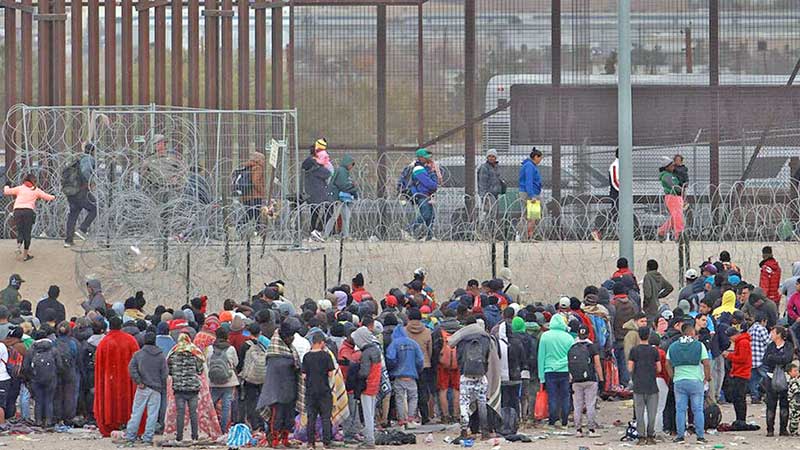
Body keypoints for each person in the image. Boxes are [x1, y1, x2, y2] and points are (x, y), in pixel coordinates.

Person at [94, 316, 140, 437]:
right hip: (127, 380)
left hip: (109, 380)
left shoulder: (103, 343)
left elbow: (99, 367)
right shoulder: (131, 340)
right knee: (127, 400)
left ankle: (110, 422)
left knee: (110, 400)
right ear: (121, 325)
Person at [666, 322, 711, 444]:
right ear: (692, 333)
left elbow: (667, 363)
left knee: (680, 409)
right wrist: (707, 378)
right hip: (696, 381)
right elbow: (706, 363)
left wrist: (673, 376)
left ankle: (680, 436)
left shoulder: (673, 346)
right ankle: (700, 436)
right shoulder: (699, 346)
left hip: (679, 381)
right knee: (697, 410)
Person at [259, 319, 301, 448]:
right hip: (277, 391)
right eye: (290, 336)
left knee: (289, 417)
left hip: (290, 389)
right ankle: (274, 440)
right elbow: (277, 367)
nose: (292, 338)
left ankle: (285, 439)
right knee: (277, 417)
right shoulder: (274, 351)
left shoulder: (291, 350)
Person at [448, 316, 491, 440]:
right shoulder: (485, 337)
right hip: (481, 374)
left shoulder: (463, 338)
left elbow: (459, 356)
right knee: (482, 402)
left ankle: (464, 431)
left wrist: (462, 369)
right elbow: (487, 355)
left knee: (464, 403)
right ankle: (484, 432)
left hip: (466, 375)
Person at [125, 332, 167, 444]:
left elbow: (131, 368)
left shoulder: (139, 354)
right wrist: (162, 385)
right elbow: (164, 373)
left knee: (136, 412)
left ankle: (130, 436)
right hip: (156, 388)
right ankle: (148, 438)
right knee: (152, 414)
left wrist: (138, 381)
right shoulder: (161, 355)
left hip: (142, 387)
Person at [3, 173, 56, 261]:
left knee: (20, 230)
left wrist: (7, 185)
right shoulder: (36, 190)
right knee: (27, 232)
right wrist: (54, 196)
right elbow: (48, 197)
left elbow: (6, 191)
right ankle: (25, 255)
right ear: (34, 181)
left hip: (17, 211)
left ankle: (18, 246)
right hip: (28, 212)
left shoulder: (20, 188)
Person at [167, 333, 205, 443]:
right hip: (193, 388)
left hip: (179, 388)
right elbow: (200, 371)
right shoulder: (195, 353)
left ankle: (179, 437)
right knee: (193, 412)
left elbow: (170, 372)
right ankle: (195, 436)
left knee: (180, 413)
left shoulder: (173, 354)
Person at [537, 314, 574, 428]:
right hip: (565, 370)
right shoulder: (568, 337)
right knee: (565, 396)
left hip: (549, 370)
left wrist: (541, 376)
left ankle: (553, 419)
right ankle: (564, 419)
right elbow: (572, 357)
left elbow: (541, 357)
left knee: (552, 396)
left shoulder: (545, 336)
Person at [386, 322, 424, 429]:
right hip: (411, 376)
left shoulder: (394, 344)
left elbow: (390, 358)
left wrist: (392, 368)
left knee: (399, 398)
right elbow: (420, 360)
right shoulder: (413, 343)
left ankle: (402, 420)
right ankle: (411, 418)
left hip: (399, 376)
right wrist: (417, 370)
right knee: (413, 397)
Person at [302, 332, 336, 449]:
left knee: (311, 417)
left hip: (310, 391)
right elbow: (331, 373)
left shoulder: (306, 356)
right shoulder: (326, 356)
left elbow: (304, 375)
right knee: (325, 417)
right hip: (324, 390)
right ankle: (327, 442)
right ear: (321, 343)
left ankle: (311, 442)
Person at [628, 327, 661, 445]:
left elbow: (630, 368)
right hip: (652, 385)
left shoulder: (634, 350)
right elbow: (659, 368)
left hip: (638, 385)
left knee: (639, 413)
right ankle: (651, 436)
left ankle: (641, 437)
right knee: (652, 413)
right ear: (649, 336)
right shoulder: (654, 351)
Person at [569, 325, 602, 438]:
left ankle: (578, 430)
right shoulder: (592, 347)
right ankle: (591, 429)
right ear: (588, 334)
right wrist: (601, 379)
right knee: (590, 404)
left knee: (577, 405)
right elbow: (597, 364)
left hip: (576, 380)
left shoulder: (572, 347)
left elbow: (569, 365)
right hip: (590, 379)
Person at [352, 326, 382, 449]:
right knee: (371, 413)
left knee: (367, 414)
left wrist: (355, 373)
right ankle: (371, 437)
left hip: (367, 385)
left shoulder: (365, 353)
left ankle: (369, 440)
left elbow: (364, 372)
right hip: (375, 384)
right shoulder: (376, 349)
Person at [63, 143, 97, 247]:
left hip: (71, 191)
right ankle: (83, 229)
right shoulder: (89, 159)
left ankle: (68, 241)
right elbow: (86, 171)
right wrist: (90, 182)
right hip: (81, 190)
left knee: (73, 214)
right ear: (93, 151)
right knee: (95, 208)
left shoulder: (78, 159)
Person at [23, 330, 60, 426]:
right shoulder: (53, 349)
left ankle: (38, 421)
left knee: (38, 400)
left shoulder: (32, 350)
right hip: (51, 378)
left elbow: (26, 366)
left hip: (35, 379)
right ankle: (48, 421)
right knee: (49, 400)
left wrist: (30, 377)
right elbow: (59, 365)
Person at [763, 325, 794, 436]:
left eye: (773, 332)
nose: (771, 335)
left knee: (784, 404)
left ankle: (783, 429)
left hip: (785, 378)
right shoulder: (770, 346)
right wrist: (778, 359)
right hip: (771, 377)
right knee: (770, 404)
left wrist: (774, 358)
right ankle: (770, 429)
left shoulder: (788, 346)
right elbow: (766, 359)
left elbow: (787, 359)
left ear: (779, 334)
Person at [206, 327, 238, 432]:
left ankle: (211, 428)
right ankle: (224, 430)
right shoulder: (231, 349)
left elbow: (207, 362)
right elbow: (235, 363)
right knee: (226, 407)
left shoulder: (210, 348)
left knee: (211, 405)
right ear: (227, 336)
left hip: (213, 381)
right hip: (228, 381)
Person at [403, 148, 439, 241]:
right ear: (420, 158)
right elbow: (429, 183)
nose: (429, 159)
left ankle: (430, 236)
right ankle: (408, 230)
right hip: (421, 195)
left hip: (426, 195)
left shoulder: (425, 168)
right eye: (426, 157)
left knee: (431, 216)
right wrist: (434, 184)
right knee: (426, 214)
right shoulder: (418, 169)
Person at [302, 141, 333, 242]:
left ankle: (313, 233)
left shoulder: (309, 164)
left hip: (311, 192)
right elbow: (328, 173)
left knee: (314, 213)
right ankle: (318, 230)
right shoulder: (315, 166)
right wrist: (324, 165)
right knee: (330, 210)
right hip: (319, 192)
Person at [323, 154, 358, 240]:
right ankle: (326, 235)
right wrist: (354, 188)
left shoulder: (343, 171)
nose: (351, 167)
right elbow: (343, 185)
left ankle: (345, 235)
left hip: (341, 198)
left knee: (345, 216)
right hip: (339, 198)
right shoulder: (342, 171)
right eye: (351, 164)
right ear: (347, 163)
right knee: (336, 216)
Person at [723, 326, 751, 428]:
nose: (730, 340)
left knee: (739, 398)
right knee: (737, 397)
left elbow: (742, 359)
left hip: (741, 373)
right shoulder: (741, 342)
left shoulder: (743, 342)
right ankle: (739, 419)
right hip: (738, 372)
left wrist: (729, 356)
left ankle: (741, 420)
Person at [592, 148, 620, 242]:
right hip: (617, 193)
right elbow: (615, 181)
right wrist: (623, 191)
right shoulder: (615, 165)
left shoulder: (622, 164)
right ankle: (598, 230)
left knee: (617, 214)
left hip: (621, 193)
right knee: (615, 214)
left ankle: (602, 231)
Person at [477, 149, 505, 235]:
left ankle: (492, 233)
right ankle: (485, 233)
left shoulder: (496, 167)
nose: (491, 158)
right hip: (488, 195)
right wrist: (484, 197)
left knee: (495, 214)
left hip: (495, 195)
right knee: (489, 214)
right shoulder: (484, 168)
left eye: (493, 156)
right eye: (489, 156)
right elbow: (482, 183)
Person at [656, 157, 684, 243]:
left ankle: (661, 231)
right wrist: (680, 189)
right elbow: (674, 186)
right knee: (677, 216)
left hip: (676, 197)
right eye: (671, 166)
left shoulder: (670, 175)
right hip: (672, 197)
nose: (673, 167)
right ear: (666, 167)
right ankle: (679, 234)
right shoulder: (666, 176)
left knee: (674, 217)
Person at [518, 148, 543, 240]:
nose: (540, 161)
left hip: (529, 192)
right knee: (532, 216)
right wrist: (532, 195)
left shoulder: (529, 165)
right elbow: (529, 181)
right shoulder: (529, 166)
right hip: (530, 193)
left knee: (529, 216)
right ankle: (527, 236)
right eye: (540, 158)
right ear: (536, 157)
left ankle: (526, 236)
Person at [239, 151, 267, 224]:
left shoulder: (248, 167)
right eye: (263, 159)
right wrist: (262, 192)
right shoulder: (257, 168)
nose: (264, 161)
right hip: (255, 196)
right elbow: (255, 182)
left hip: (246, 195)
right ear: (258, 159)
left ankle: (239, 229)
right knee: (255, 216)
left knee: (250, 215)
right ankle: (237, 229)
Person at [749, 312, 770, 404]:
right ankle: (768, 395)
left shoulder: (750, 329)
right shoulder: (762, 329)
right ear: (763, 321)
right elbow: (768, 342)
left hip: (751, 358)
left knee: (753, 379)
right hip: (761, 357)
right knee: (767, 377)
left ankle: (754, 396)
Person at [788, 364, 800, 435]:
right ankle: (793, 431)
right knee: (795, 416)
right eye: (794, 371)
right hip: (795, 401)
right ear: (789, 373)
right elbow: (795, 391)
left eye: (797, 370)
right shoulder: (793, 381)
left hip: (797, 400)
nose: (797, 372)